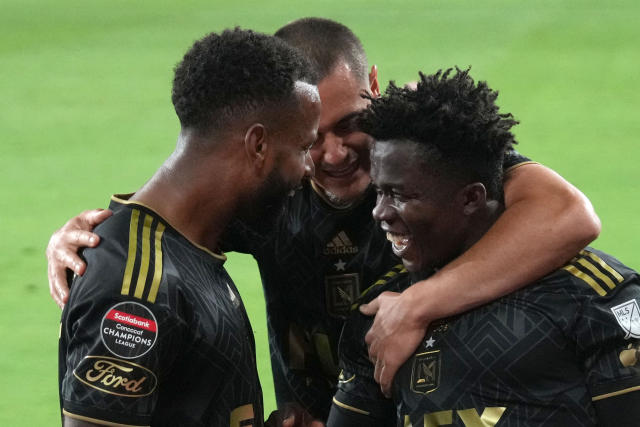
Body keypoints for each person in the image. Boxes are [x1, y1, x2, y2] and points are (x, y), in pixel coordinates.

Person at [48, 18, 601, 420]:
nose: (333, 154)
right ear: (278, 134)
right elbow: (172, 224)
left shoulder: (426, 150)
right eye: (313, 139)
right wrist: (98, 239)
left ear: (377, 87)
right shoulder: (271, 190)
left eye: (353, 122)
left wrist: (417, 305)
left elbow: (567, 213)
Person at [328, 68, 640, 426]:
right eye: (379, 191)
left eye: (400, 195)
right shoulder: (381, 314)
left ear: (471, 198)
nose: (380, 212)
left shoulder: (594, 299)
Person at [58, 28, 324, 426]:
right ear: (258, 145)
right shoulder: (136, 291)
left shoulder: (193, 245)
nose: (308, 170)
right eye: (303, 148)